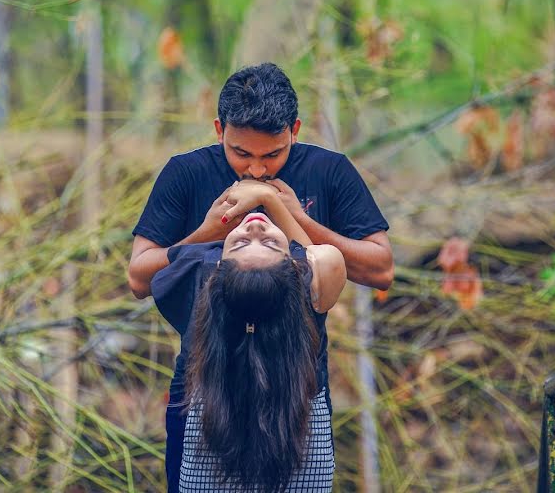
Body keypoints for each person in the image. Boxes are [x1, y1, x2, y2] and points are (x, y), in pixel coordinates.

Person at [128, 62, 393, 490]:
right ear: (219, 130)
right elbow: (139, 278)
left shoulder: (329, 171)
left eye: (272, 155)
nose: (256, 169)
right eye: (241, 153)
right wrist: (208, 233)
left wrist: (287, 212)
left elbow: (380, 268)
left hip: (300, 388)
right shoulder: (186, 173)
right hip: (202, 387)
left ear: (295, 130)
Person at [150, 180, 346, 491]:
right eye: (264, 244)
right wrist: (270, 199)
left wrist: (215, 233)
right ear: (296, 273)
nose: (255, 230)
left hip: (211, 448)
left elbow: (151, 274)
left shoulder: (201, 284)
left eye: (247, 243)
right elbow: (321, 256)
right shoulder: (310, 296)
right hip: (301, 452)